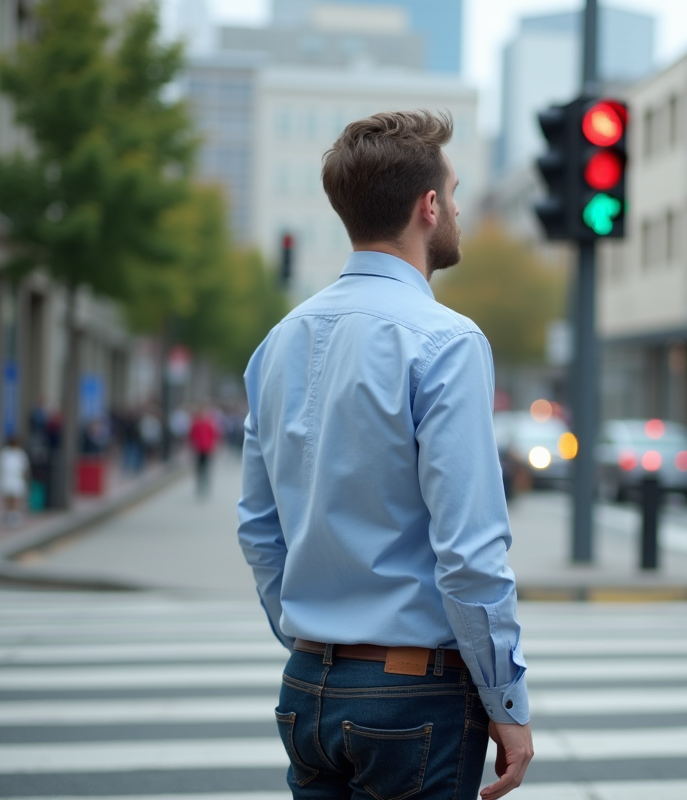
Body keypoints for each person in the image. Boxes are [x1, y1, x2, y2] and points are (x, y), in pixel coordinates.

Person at [238, 110, 532, 800]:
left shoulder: (278, 341)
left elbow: (258, 528)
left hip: (307, 688)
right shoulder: (447, 341)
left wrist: (318, 649)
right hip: (412, 698)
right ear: (429, 208)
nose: (457, 208)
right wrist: (506, 702)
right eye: (454, 194)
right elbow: (469, 554)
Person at [0, 436, 30, 527]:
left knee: (13, 499)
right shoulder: (8, 454)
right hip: (9, 479)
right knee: (9, 499)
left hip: (13, 480)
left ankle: (11, 517)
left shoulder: (18, 454)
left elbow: (23, 468)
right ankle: (8, 517)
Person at [188, 406, 217, 499]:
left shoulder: (208, 423)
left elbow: (213, 435)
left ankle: (206, 484)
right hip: (199, 448)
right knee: (199, 468)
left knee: (206, 467)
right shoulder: (196, 423)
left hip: (207, 449)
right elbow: (192, 435)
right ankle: (200, 484)